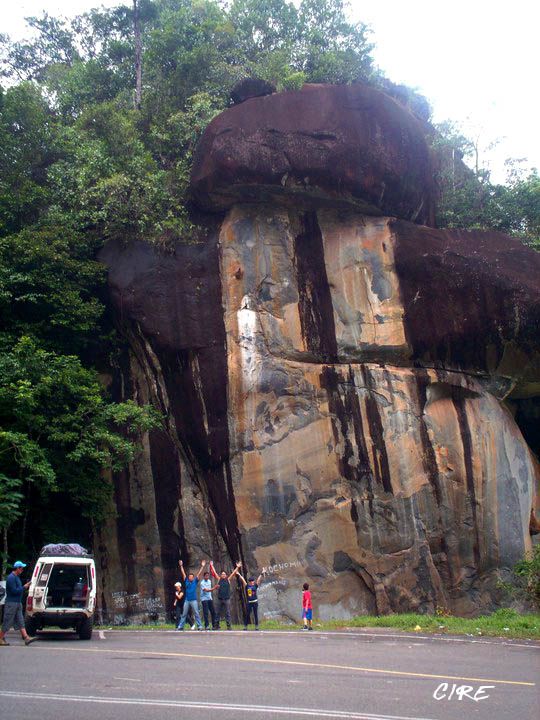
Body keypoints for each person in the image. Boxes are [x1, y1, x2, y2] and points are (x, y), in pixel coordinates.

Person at [0, 561, 36, 646]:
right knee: (7, 621)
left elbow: (18, 589)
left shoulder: (16, 577)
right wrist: (24, 587)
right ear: (17, 568)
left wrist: (24, 587)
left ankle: (26, 638)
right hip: (11, 603)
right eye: (21, 568)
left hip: (17, 603)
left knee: (20, 621)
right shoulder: (11, 578)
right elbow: (14, 591)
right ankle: (0, 638)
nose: (22, 570)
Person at [210, 560, 241, 630]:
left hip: (227, 599)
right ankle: (216, 625)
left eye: (224, 574)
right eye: (222, 574)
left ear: (226, 575)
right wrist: (212, 566)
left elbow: (233, 573)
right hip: (220, 599)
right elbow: (214, 573)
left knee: (227, 613)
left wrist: (237, 567)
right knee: (217, 612)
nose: (223, 575)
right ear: (221, 575)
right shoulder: (219, 579)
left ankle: (229, 626)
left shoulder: (228, 579)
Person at [176, 559, 205, 631]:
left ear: (193, 577)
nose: (191, 578)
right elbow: (183, 573)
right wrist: (181, 566)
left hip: (193, 600)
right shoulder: (186, 581)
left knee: (196, 613)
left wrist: (202, 566)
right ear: (188, 577)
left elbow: (199, 574)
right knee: (184, 614)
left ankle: (200, 626)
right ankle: (180, 626)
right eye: (190, 577)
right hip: (187, 600)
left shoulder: (195, 581)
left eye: (192, 577)